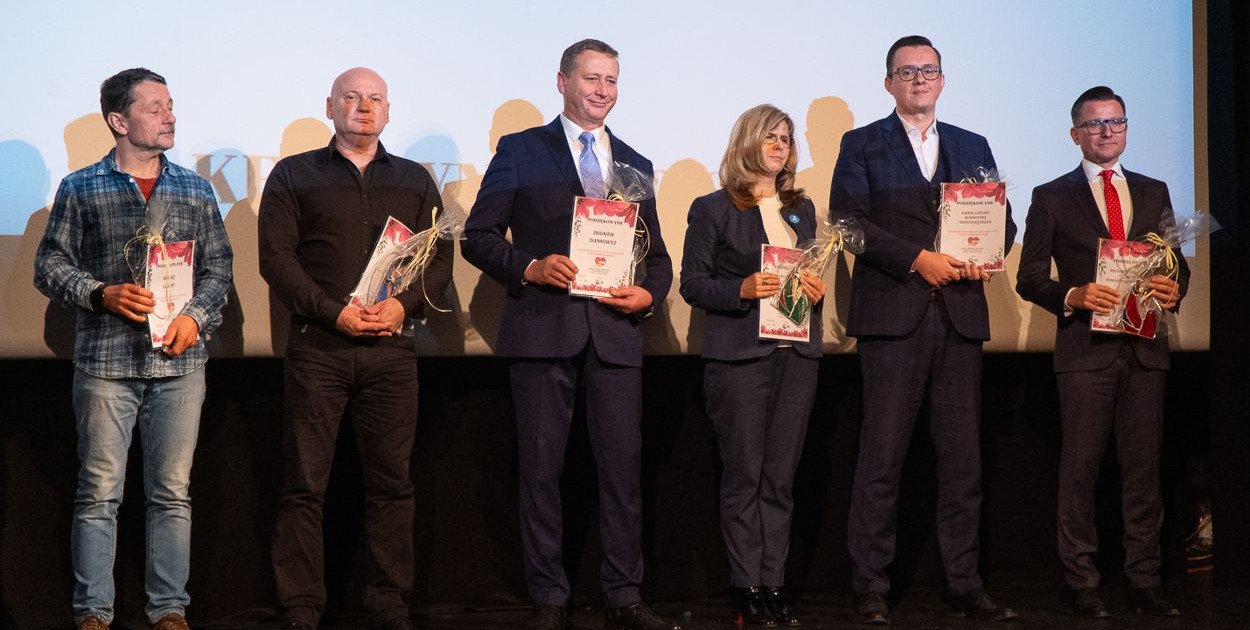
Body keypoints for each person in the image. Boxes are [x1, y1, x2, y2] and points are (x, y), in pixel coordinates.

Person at [461, 39, 679, 630]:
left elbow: (655, 257)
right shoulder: (520, 150)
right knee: (540, 472)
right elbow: (477, 237)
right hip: (541, 331)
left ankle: (624, 594)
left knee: (622, 473)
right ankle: (549, 599)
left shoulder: (634, 163)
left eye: (611, 80)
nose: (603, 90)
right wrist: (528, 267)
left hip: (614, 334)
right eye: (592, 79)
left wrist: (650, 294)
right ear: (562, 82)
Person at [34, 67, 233, 630]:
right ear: (119, 121)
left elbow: (220, 268)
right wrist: (99, 293)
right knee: (99, 493)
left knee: (172, 494)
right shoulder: (82, 186)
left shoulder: (195, 188)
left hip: (179, 363)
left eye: (171, 105)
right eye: (154, 107)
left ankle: (170, 609)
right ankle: (93, 612)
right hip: (105, 365)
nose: (169, 115)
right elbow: (48, 265)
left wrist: (197, 316)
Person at [828, 35, 1018, 624]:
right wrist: (917, 258)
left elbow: (1002, 221)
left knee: (963, 463)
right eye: (906, 71)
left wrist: (985, 252)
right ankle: (871, 588)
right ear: (888, 83)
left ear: (942, 80)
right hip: (893, 318)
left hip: (960, 317)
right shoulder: (861, 144)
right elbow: (847, 224)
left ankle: (965, 582)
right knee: (881, 459)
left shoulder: (972, 144)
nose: (918, 79)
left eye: (928, 70)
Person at [258, 67, 453, 630]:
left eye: (375, 99)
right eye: (352, 97)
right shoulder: (294, 175)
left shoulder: (415, 179)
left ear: (388, 111)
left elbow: (438, 259)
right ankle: (300, 608)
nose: (363, 108)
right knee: (304, 486)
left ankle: (388, 604)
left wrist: (403, 306)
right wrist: (334, 312)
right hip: (318, 349)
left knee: (393, 485)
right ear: (330, 106)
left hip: (392, 352)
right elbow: (277, 260)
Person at [1016, 86, 1189, 619]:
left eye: (1115, 122)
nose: (1106, 131)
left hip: (1144, 349)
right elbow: (1028, 279)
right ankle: (1081, 581)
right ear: (1075, 134)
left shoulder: (1155, 191)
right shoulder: (1050, 196)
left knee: (1143, 471)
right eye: (1094, 124)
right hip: (1085, 351)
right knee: (1080, 470)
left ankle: (1144, 581)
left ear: (1127, 128)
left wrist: (1175, 287)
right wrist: (1071, 295)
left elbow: (1176, 265)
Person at [680, 104, 825, 627]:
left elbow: (806, 278)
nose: (780, 145)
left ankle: (775, 583)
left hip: (797, 356)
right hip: (740, 358)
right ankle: (747, 587)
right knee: (744, 477)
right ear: (746, 141)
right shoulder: (713, 207)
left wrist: (815, 290)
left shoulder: (801, 210)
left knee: (780, 480)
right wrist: (740, 289)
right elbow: (692, 284)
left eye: (786, 138)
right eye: (770, 136)